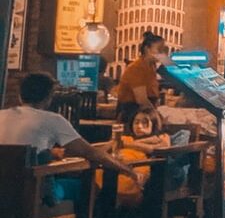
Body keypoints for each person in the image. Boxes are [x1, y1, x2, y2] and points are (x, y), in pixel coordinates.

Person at [0, 72, 139, 210]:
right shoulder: (52, 120)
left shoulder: (2, 115)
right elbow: (91, 153)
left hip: (5, 194)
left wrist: (49, 153)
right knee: (89, 187)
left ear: (20, 95)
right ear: (49, 97)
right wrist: (128, 170)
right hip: (36, 196)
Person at [113, 32, 168, 126]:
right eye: (159, 49)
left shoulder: (152, 67)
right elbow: (141, 100)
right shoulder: (136, 68)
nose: (162, 53)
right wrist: (156, 117)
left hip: (146, 113)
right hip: (132, 116)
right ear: (147, 49)